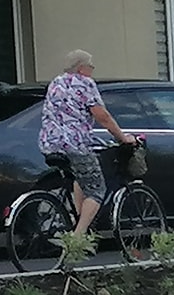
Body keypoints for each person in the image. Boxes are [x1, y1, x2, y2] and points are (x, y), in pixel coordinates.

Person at [38, 50, 136, 237]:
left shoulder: (56, 82)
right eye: (91, 65)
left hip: (50, 143)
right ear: (82, 68)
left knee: (80, 176)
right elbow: (102, 116)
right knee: (97, 190)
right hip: (74, 144)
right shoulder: (85, 83)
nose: (92, 69)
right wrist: (122, 138)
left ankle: (78, 217)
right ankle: (78, 237)